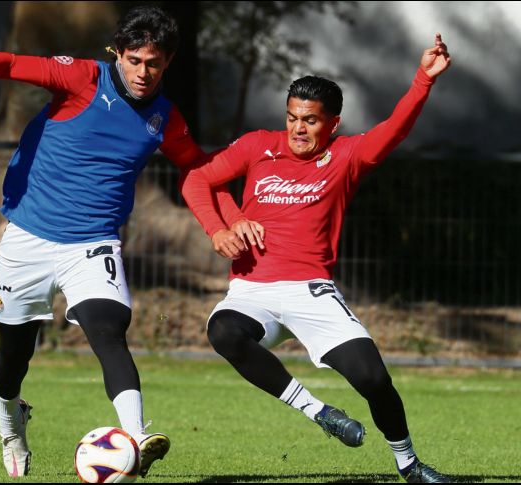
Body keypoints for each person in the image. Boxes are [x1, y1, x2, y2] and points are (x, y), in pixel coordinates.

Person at [0, 6, 253, 478]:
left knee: (107, 328)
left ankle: (136, 433)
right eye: (134, 60)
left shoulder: (165, 119)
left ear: (167, 62)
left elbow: (199, 172)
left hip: (94, 245)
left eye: (153, 62)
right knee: (14, 355)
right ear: (118, 55)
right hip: (27, 240)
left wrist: (223, 225)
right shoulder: (83, 79)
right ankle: (11, 419)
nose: (142, 72)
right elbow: (9, 63)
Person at [182, 34, 452, 483]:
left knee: (373, 380)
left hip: (312, 291)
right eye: (292, 118)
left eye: (309, 120)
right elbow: (197, 181)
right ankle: (318, 412)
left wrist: (423, 78)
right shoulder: (257, 146)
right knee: (223, 330)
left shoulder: (346, 156)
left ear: (333, 124)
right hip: (252, 290)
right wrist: (220, 229)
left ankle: (410, 464)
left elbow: (395, 129)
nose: (298, 129)